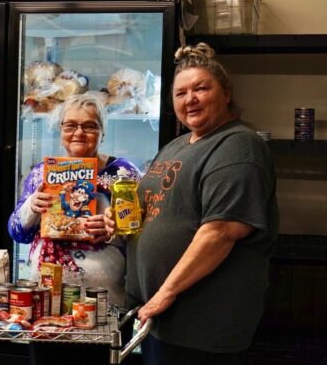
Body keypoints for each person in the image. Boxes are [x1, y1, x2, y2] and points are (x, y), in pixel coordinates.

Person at [105, 42, 279, 364]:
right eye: (181, 93)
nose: (191, 99)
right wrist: (113, 219)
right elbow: (142, 209)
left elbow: (221, 232)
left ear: (226, 93)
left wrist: (164, 294)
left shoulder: (238, 145)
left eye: (201, 88)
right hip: (160, 320)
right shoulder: (176, 146)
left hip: (201, 328)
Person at [8, 93, 140, 364]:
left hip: (103, 309)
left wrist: (114, 230)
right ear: (61, 132)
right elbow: (17, 232)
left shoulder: (124, 174)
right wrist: (32, 206)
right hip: (48, 307)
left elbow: (145, 233)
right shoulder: (43, 173)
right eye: (70, 125)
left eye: (90, 125)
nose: (79, 132)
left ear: (103, 132)